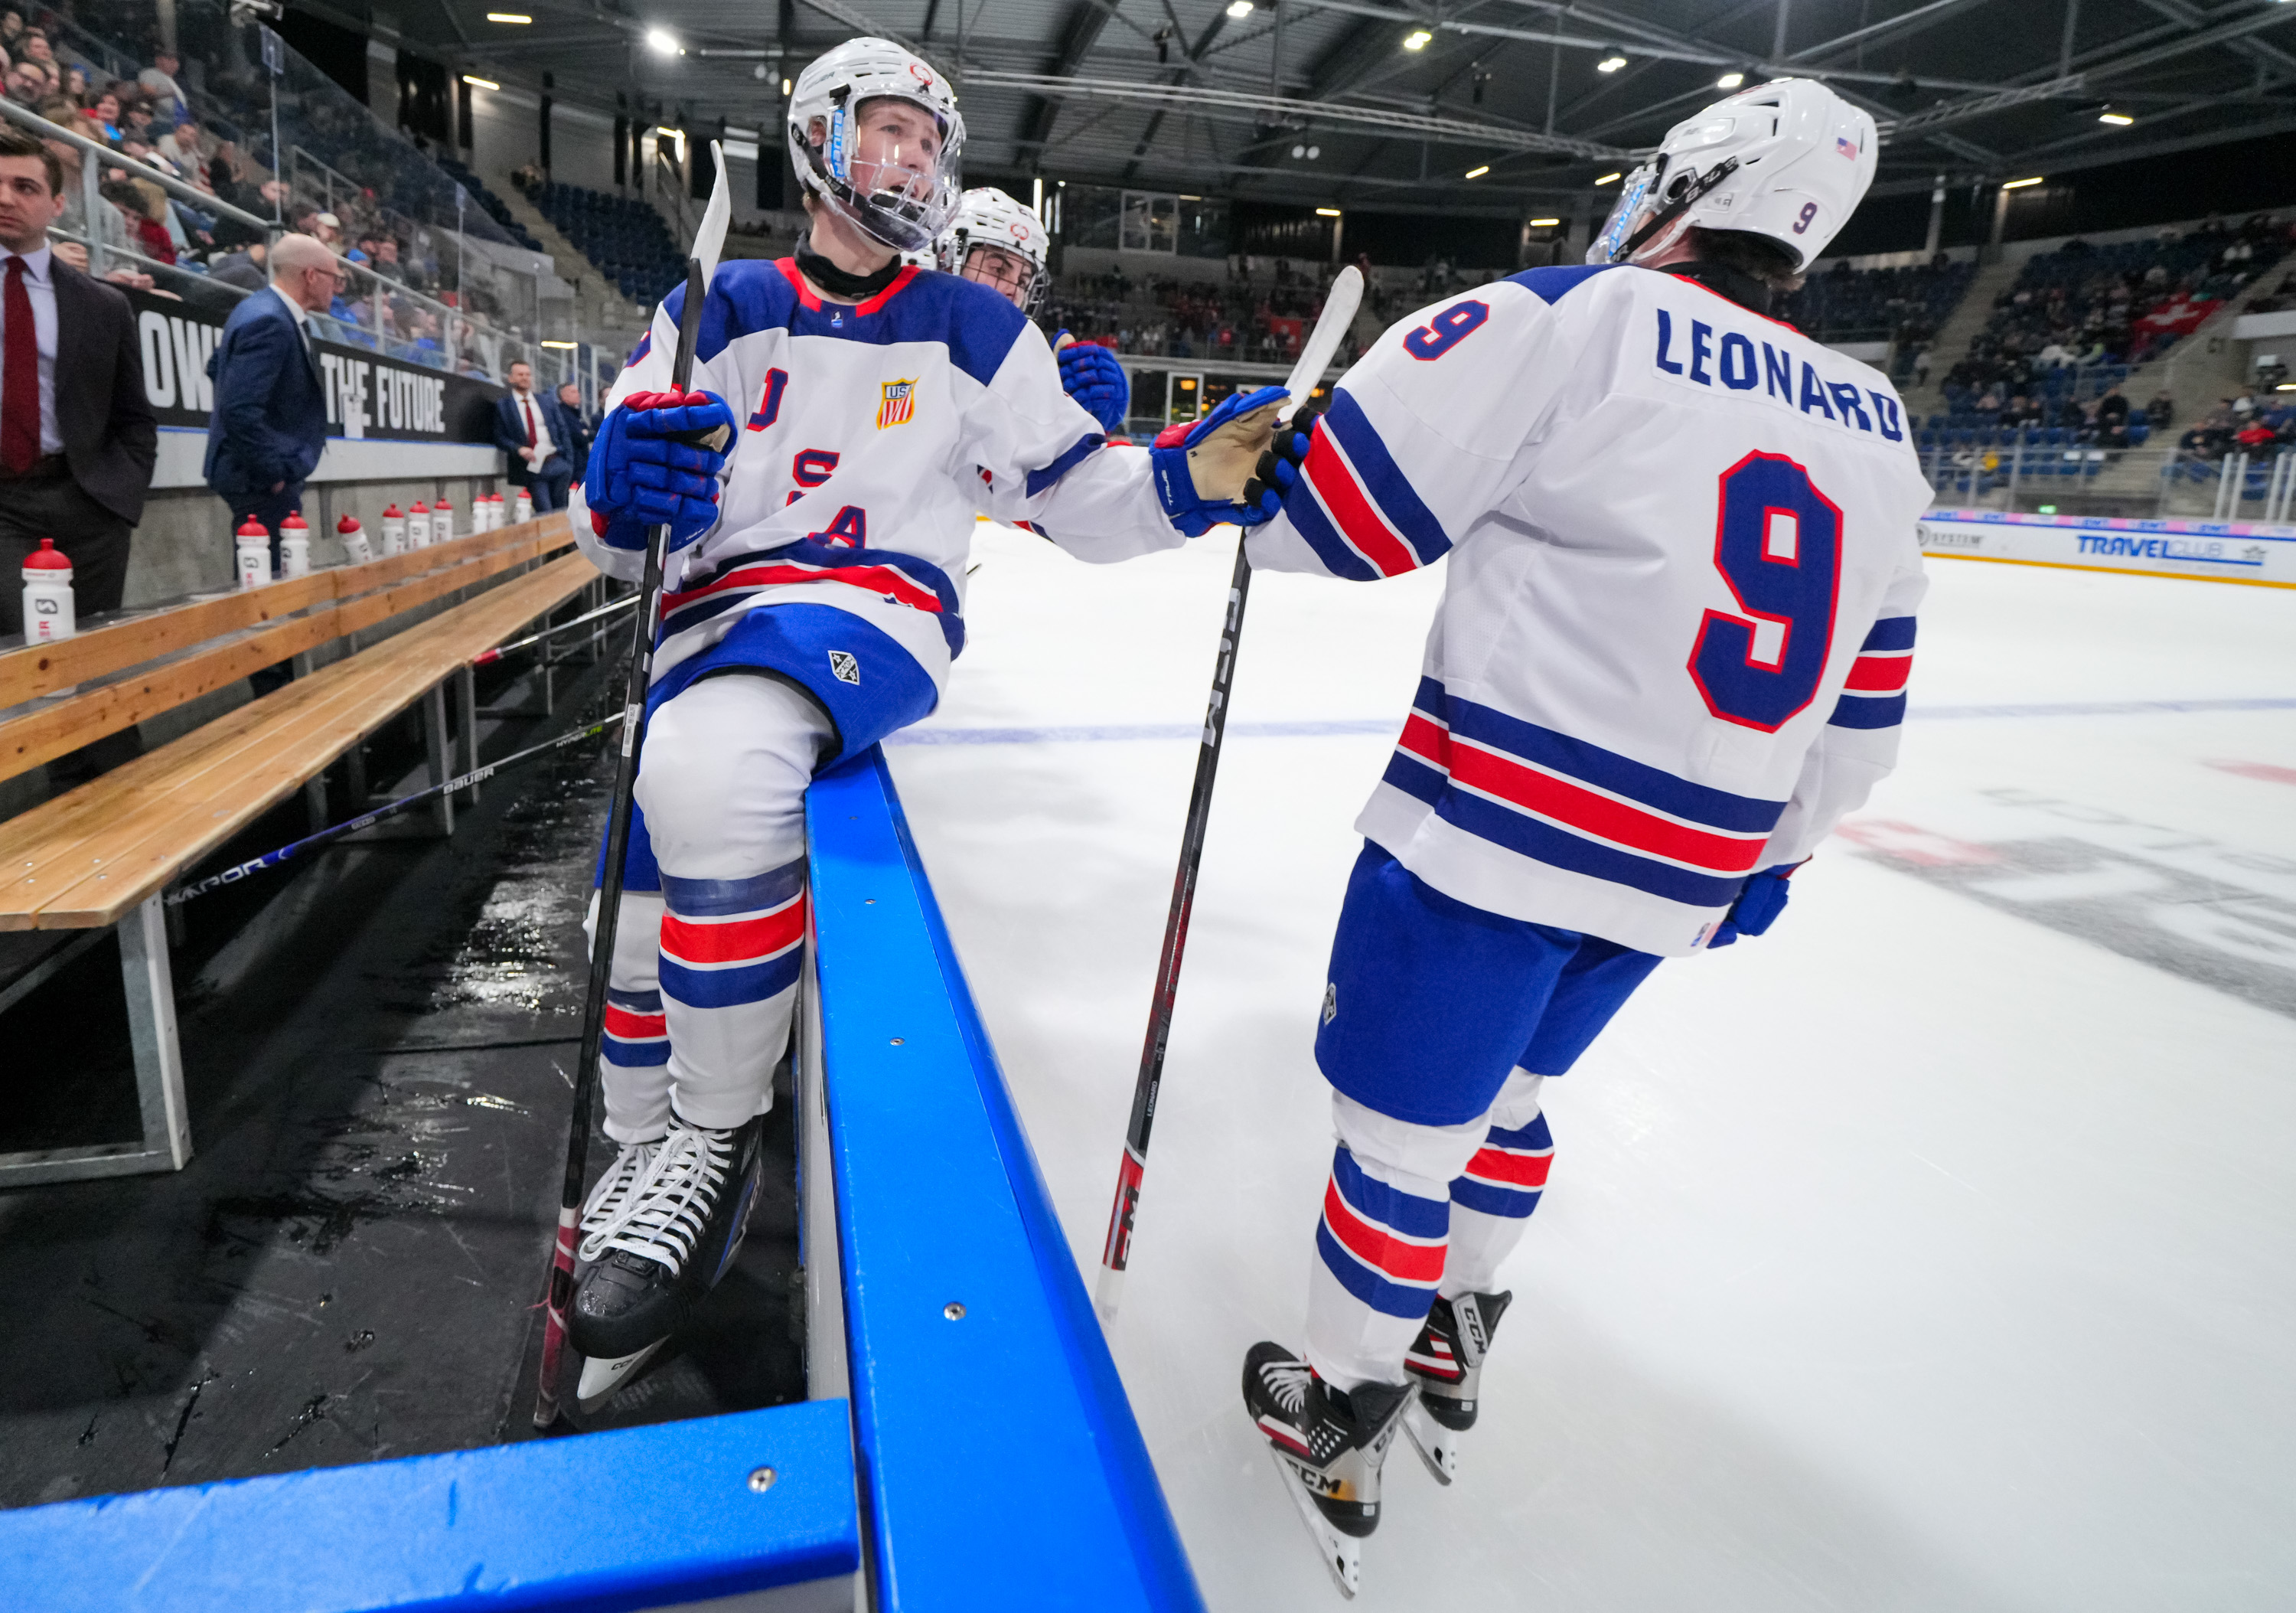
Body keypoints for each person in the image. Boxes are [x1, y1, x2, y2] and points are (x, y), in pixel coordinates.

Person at [1229, 77, 1929, 1578]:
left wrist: (1273, 464)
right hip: (1683, 874)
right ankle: (1456, 1335)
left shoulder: (1579, 314)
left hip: (1490, 838)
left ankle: (1342, 1409)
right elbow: (1862, 726)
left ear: (1694, 182)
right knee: (1517, 1102)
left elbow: (1338, 519)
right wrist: (1772, 859)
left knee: (1396, 1145)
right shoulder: (1878, 421)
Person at [559, 34, 1282, 1415]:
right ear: (819, 138)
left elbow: (1076, 492)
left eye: (926, 142)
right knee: (636, 904)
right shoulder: (718, 301)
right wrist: (616, 491)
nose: (906, 161)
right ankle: (638, 1148)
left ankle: (712, 1142)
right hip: (712, 622)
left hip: (865, 611)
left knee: (714, 770)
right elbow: (617, 531)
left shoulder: (970, 327)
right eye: (882, 131)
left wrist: (1189, 478)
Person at [0, 124, 155, 728]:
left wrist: (120, 499)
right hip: (3, 504)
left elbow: (134, 417)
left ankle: (115, 798)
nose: (8, 197)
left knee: (97, 668)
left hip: (88, 505)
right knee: (32, 662)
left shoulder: (103, 305)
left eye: (25, 186)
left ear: (57, 204)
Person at [203, 232, 337, 655]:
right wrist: (275, 471)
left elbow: (217, 369)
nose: (338, 286)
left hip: (258, 476)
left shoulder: (260, 310)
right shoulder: (271, 320)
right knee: (270, 600)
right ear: (311, 276)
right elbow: (239, 408)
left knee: (273, 588)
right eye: (335, 277)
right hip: (258, 481)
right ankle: (276, 691)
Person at [938, 184, 1131, 434]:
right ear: (946, 259)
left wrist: (1075, 417)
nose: (1013, 290)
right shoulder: (898, 339)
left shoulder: (1021, 368)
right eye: (998, 269)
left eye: (1023, 281)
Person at [492, 359, 573, 511]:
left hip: (557, 463)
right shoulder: (504, 406)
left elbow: (563, 431)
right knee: (545, 513)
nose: (525, 378)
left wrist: (568, 463)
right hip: (533, 468)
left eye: (528, 374)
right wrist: (519, 449)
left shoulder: (546, 401)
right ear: (511, 378)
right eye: (520, 374)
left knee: (562, 513)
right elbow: (499, 437)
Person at [554, 379, 594, 479]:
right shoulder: (562, 414)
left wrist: (586, 433)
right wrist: (584, 434)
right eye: (573, 392)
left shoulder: (576, 414)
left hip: (581, 463)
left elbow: (593, 433)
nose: (578, 394)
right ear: (563, 396)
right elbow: (578, 437)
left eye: (577, 391)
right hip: (572, 464)